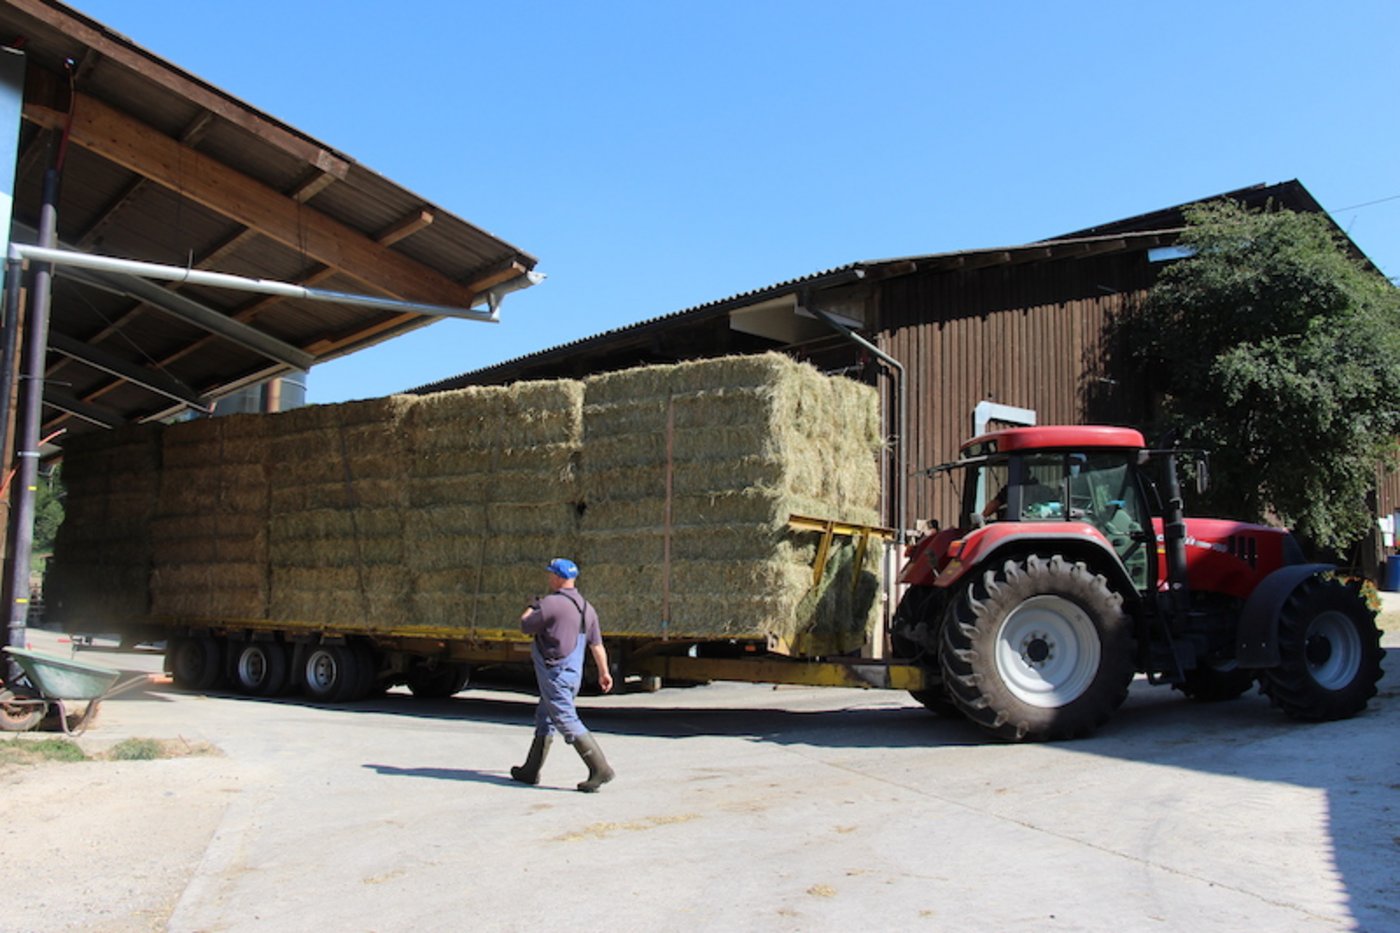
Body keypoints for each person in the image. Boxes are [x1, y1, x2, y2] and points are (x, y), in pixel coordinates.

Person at [510, 557, 616, 792]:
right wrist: (604, 672)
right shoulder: (587, 608)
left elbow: (525, 625)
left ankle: (600, 768)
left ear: (558, 578)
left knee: (566, 719)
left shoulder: (551, 604)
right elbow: (596, 645)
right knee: (544, 716)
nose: (549, 578)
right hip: (572, 672)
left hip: (554, 672)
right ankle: (530, 769)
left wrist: (532, 606)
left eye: (551, 574)